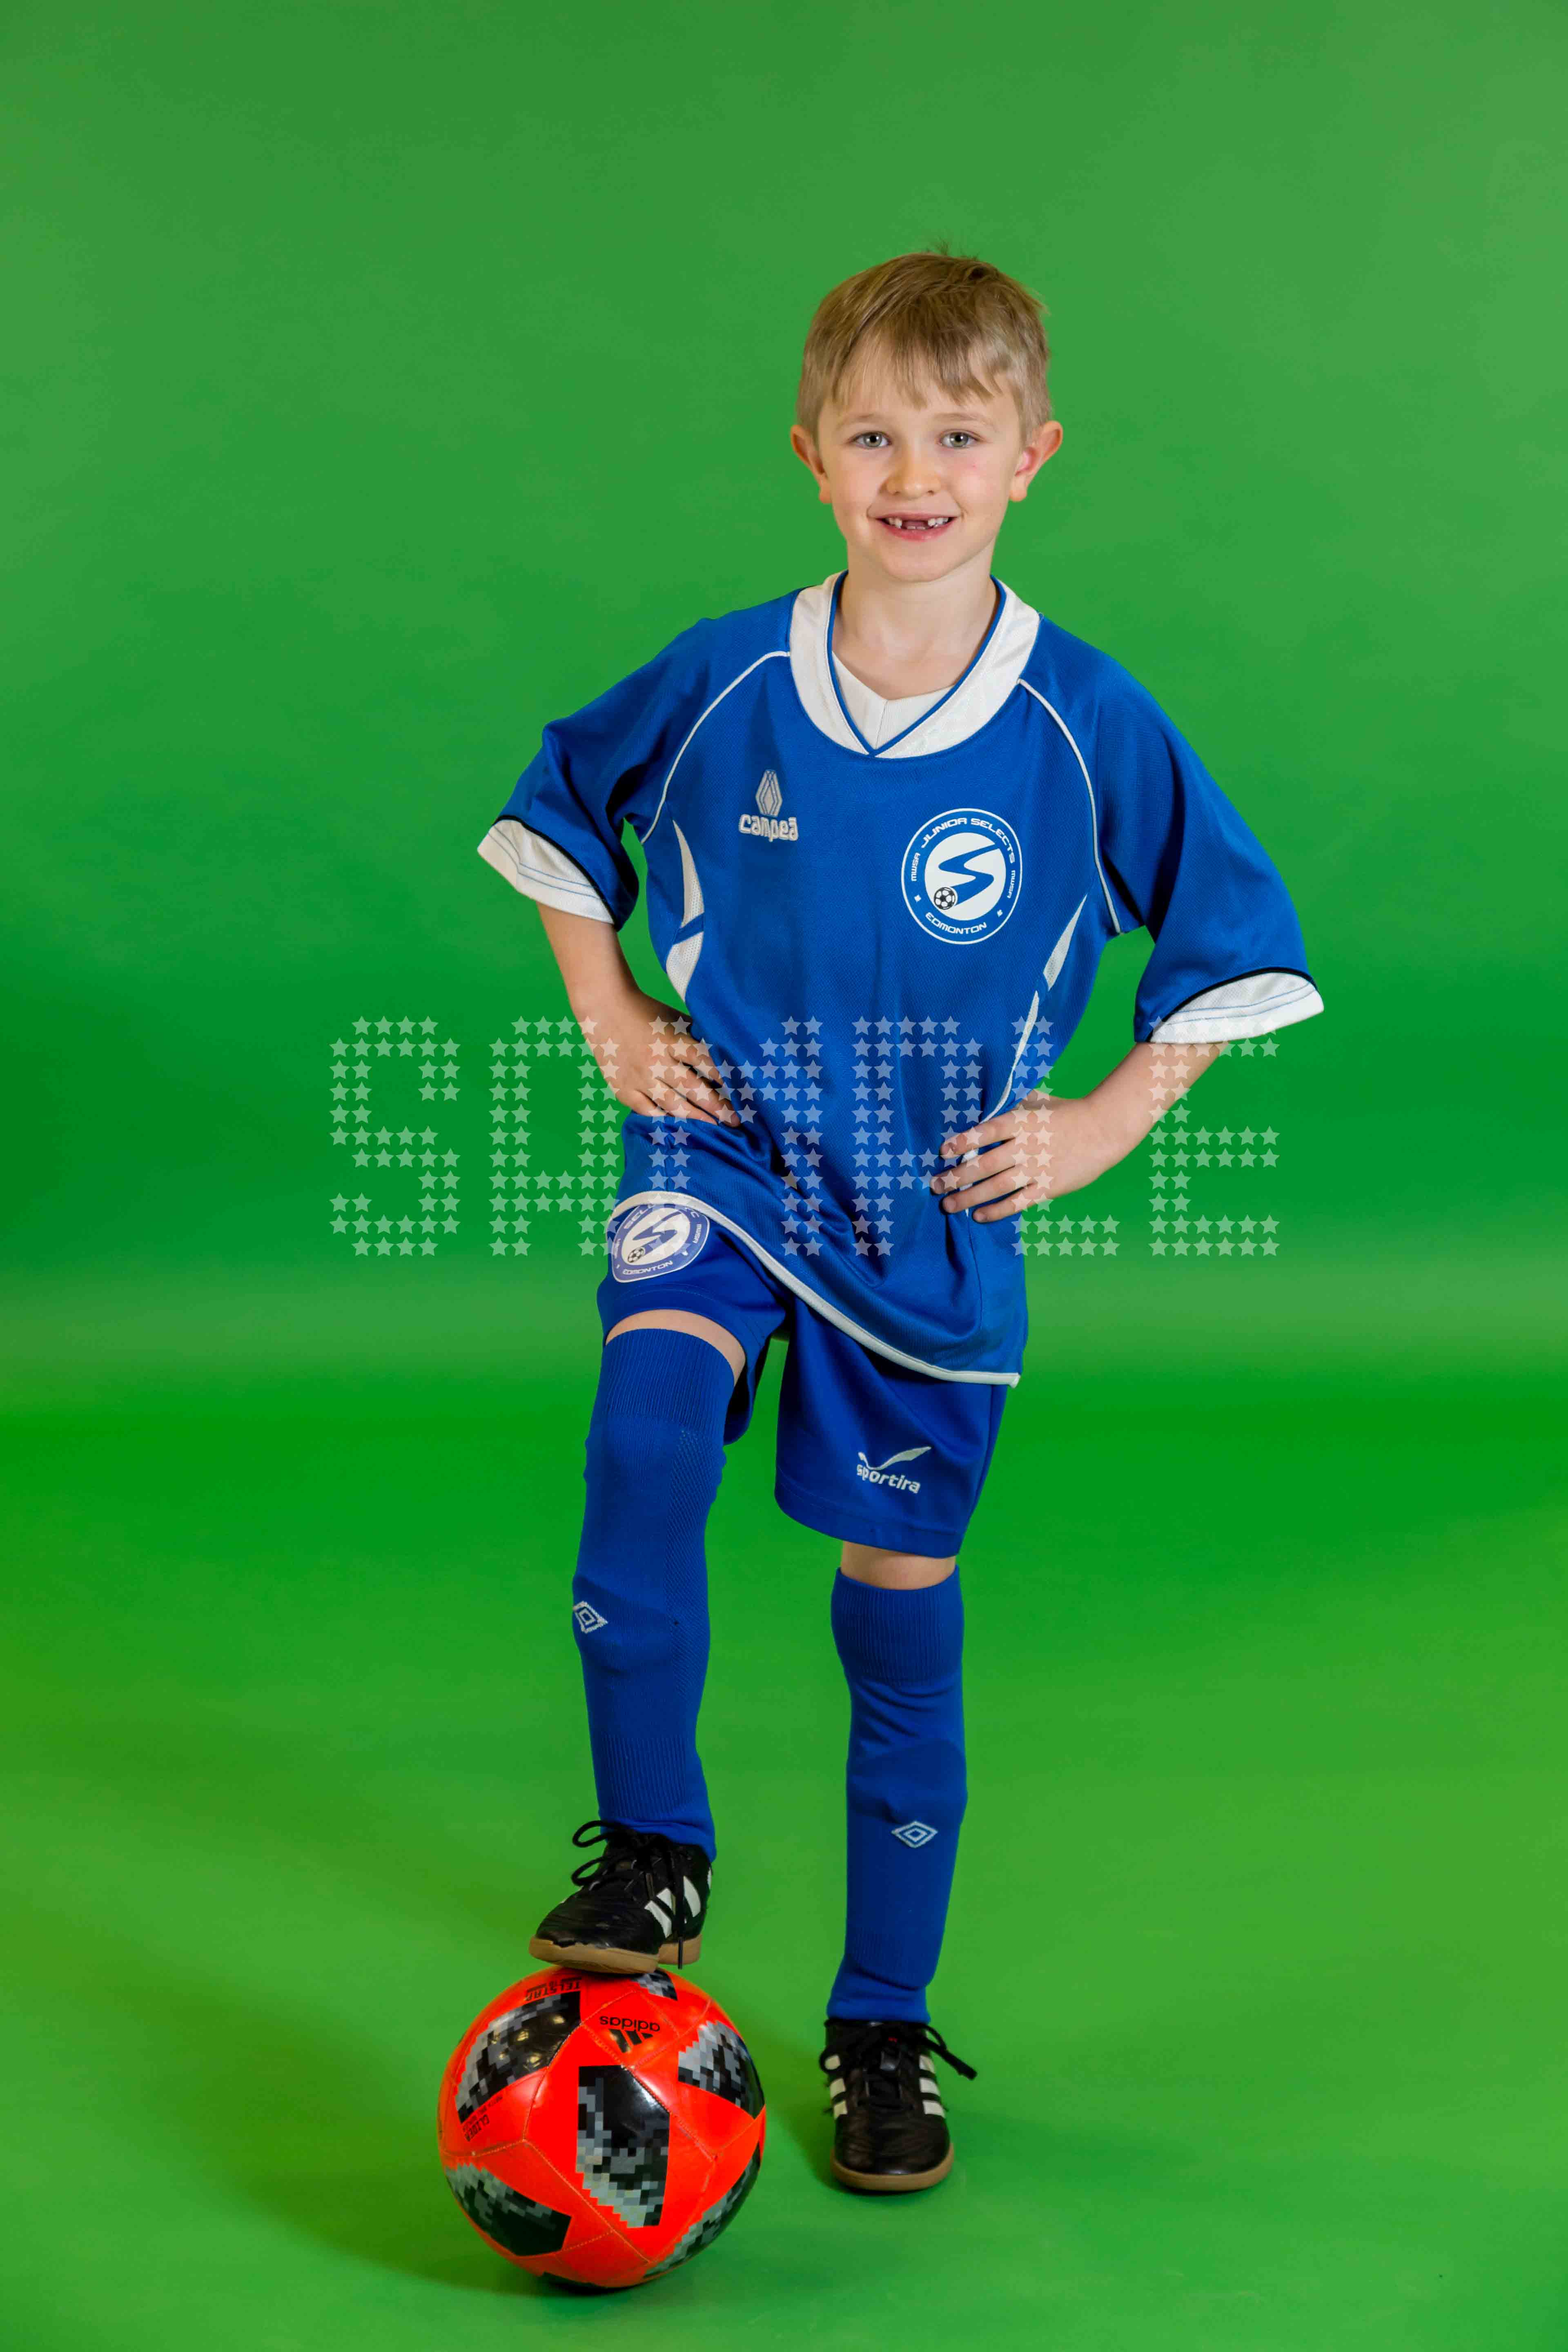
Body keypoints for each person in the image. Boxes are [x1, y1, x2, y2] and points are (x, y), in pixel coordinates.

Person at [476, 251, 1324, 2194]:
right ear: (811, 457)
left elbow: (1230, 942)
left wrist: (1106, 1117)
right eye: (872, 437)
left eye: (957, 436)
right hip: (727, 1148)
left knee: (897, 1613)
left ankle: (878, 2023)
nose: (914, 473)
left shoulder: (1086, 720)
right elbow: (562, 807)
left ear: (1033, 455)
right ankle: (656, 1851)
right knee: (645, 1431)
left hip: (927, 1219)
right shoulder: (728, 677)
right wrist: (612, 1016)